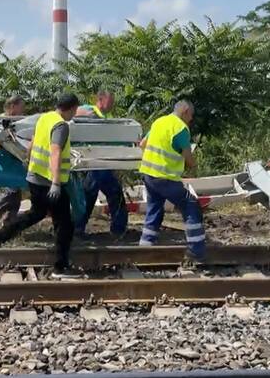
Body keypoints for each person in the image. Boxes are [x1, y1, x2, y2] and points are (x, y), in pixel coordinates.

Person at [0, 92, 81, 278]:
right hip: (49, 182)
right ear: (72, 108)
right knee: (65, 223)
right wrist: (56, 183)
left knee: (37, 213)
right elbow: (55, 152)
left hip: (35, 177)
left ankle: (1, 235)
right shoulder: (61, 125)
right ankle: (61, 267)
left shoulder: (45, 118)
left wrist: (28, 158)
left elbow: (33, 141)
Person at [137, 100, 207, 261]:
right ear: (185, 111)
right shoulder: (181, 128)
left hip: (149, 175)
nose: (191, 119)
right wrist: (193, 166)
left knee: (154, 208)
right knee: (190, 206)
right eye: (191, 115)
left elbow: (142, 144)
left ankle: (145, 246)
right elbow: (188, 157)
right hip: (165, 178)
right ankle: (196, 250)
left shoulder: (159, 121)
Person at [74, 90, 128, 239]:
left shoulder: (108, 117)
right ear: (100, 99)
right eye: (110, 101)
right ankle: (118, 229)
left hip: (103, 161)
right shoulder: (90, 109)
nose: (112, 104)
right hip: (94, 161)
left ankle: (79, 228)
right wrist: (88, 116)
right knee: (102, 194)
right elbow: (76, 112)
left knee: (98, 194)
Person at [0, 95, 27, 229]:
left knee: (15, 193)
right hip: (4, 161)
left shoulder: (15, 122)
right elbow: (0, 138)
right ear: (12, 107)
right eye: (21, 107)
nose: (23, 110)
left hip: (14, 161)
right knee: (11, 189)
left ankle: (9, 223)